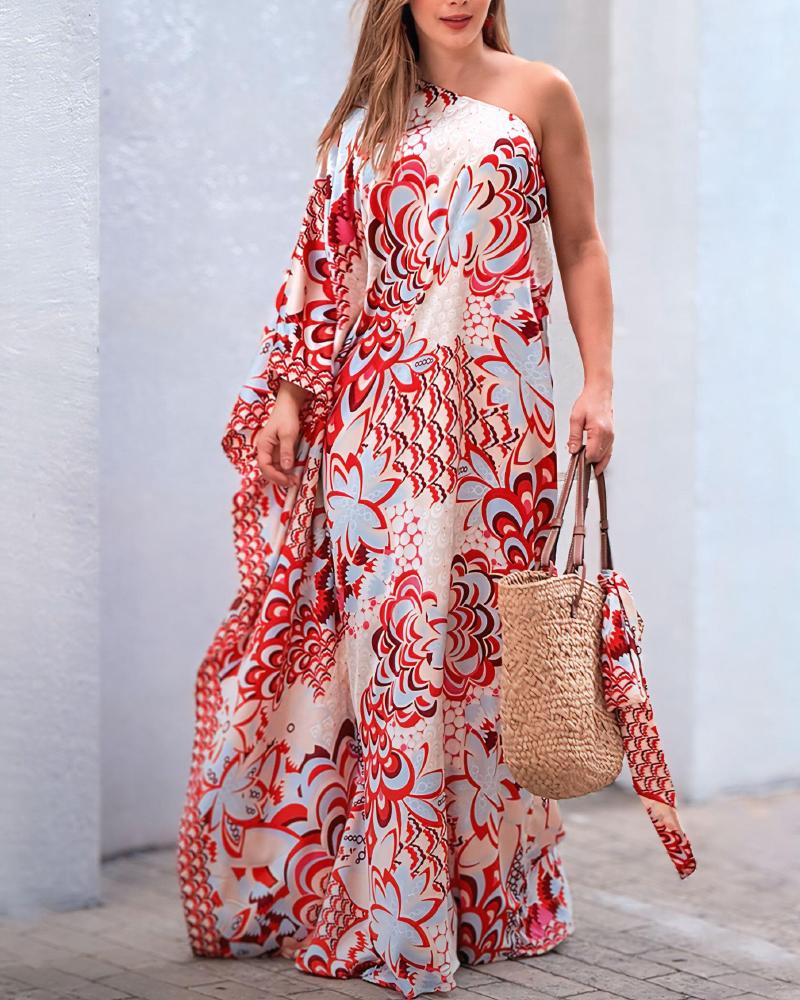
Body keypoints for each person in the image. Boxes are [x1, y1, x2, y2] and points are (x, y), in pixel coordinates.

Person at [176, 1, 614, 996]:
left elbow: (582, 244)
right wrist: (290, 399)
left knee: (485, 654)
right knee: (395, 653)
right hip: (377, 430)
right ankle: (400, 904)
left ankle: (491, 896)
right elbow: (319, 269)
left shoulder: (539, 94)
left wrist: (599, 384)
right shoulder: (360, 123)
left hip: (501, 424)